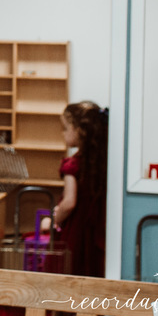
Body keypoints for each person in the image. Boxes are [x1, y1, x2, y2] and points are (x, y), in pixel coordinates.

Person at [53, 101, 108, 278]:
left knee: (72, 271)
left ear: (78, 131)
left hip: (76, 231)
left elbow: (69, 203)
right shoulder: (101, 162)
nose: (62, 133)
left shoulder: (72, 164)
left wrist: (55, 218)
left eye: (65, 128)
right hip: (96, 230)